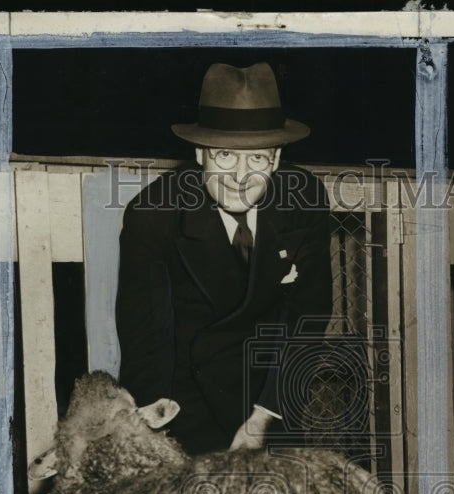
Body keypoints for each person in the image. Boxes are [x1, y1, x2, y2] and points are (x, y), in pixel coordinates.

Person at [115, 61, 334, 455]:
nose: (239, 177)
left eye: (257, 159)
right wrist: (156, 432)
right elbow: (146, 339)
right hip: (187, 399)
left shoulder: (305, 199)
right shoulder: (153, 215)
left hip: (273, 390)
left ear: (277, 158)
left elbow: (308, 314)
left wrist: (266, 415)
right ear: (199, 153)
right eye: (224, 155)